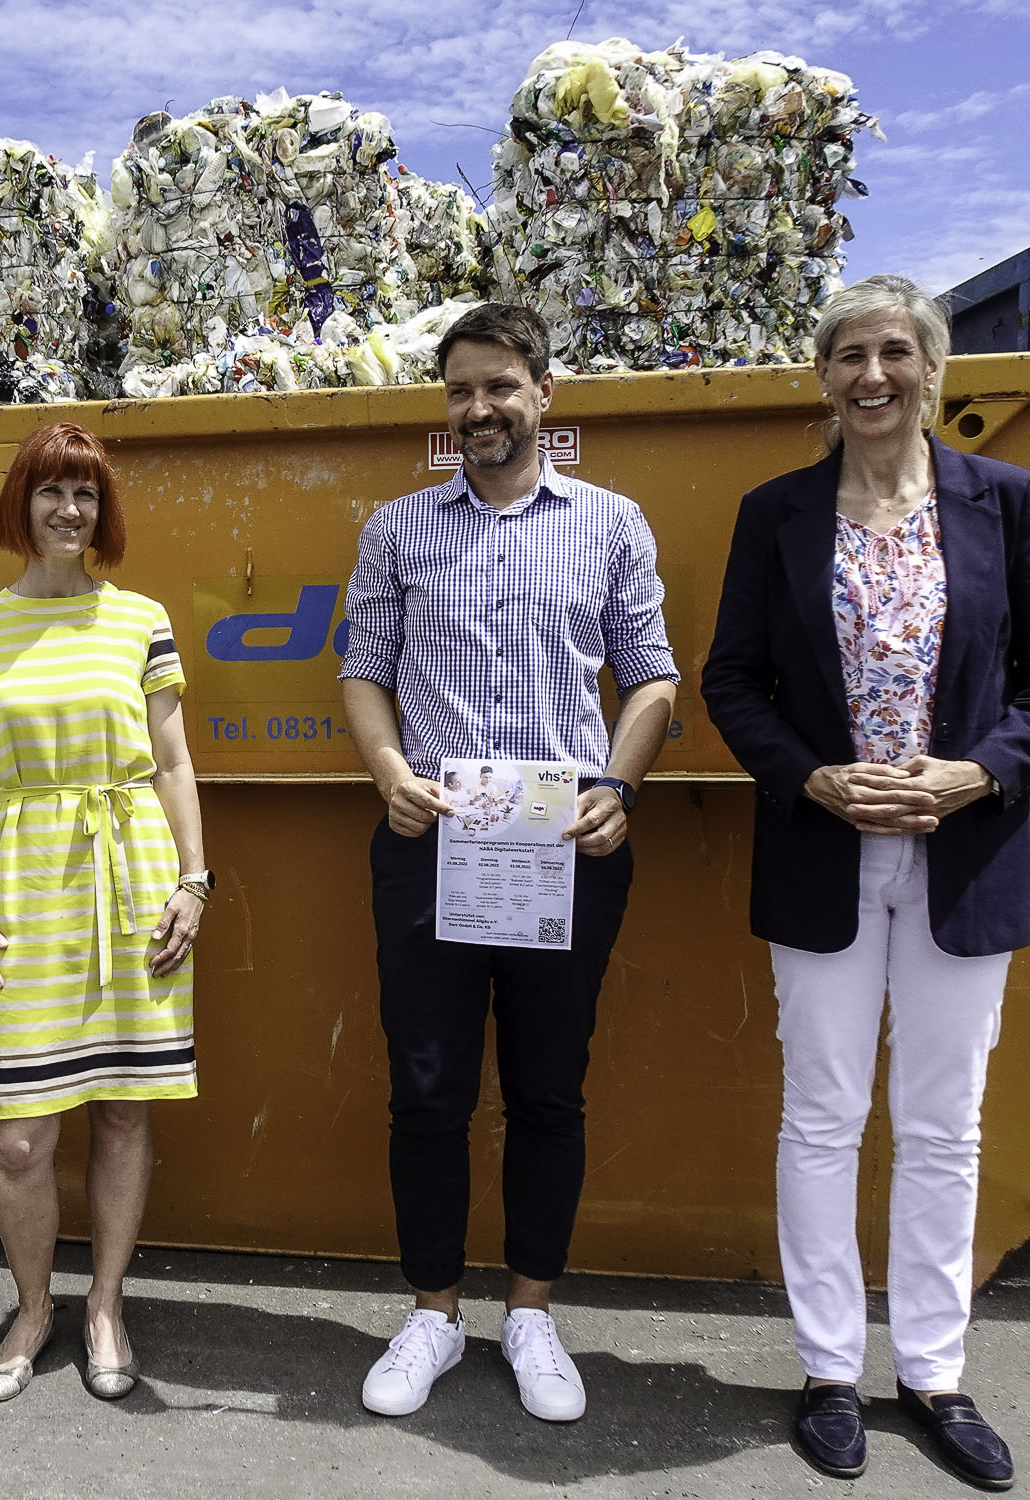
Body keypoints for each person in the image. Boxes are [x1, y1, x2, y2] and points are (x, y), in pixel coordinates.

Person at [700, 275, 1030, 1489]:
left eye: (893, 353)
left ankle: (931, 1372)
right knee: (819, 1116)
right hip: (826, 851)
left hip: (960, 854)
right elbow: (731, 683)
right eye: (846, 356)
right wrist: (810, 779)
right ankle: (827, 1369)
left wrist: (978, 772)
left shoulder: (1004, 503)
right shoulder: (773, 514)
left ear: (931, 369)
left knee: (942, 1126)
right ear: (821, 378)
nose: (871, 376)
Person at [339, 303, 678, 1425]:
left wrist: (615, 789)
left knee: (545, 1089)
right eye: (458, 392)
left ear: (544, 393)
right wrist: (387, 769)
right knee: (427, 1090)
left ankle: (528, 1312)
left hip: (561, 848)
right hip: (428, 838)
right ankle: (433, 1314)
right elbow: (361, 670)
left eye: (497, 387)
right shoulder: (394, 529)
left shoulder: (611, 524)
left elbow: (652, 679)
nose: (476, 409)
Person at [0, 420, 206, 1405]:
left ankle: (103, 1305)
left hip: (132, 873)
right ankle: (33, 1304)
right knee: (19, 1129)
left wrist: (192, 881)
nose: (67, 508)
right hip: (23, 884)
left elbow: (172, 765)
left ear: (102, 509)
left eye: (84, 493)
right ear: (20, 505)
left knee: (124, 1108)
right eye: (49, 490)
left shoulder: (138, 619)